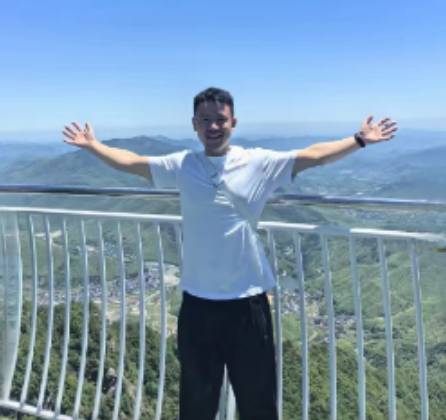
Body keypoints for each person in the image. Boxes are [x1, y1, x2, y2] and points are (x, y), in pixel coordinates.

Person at [62, 87, 397, 420]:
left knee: (258, 404)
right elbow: (133, 163)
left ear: (233, 122)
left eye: (220, 119)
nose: (213, 126)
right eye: (205, 119)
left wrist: (359, 140)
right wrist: (93, 146)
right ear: (194, 124)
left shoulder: (258, 162)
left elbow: (313, 155)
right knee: (196, 406)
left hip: (248, 303)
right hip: (197, 303)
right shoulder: (183, 164)